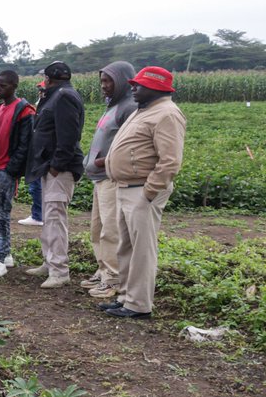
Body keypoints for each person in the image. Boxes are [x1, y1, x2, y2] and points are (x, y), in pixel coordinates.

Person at [100, 67, 186, 320]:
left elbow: (170, 161)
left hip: (142, 191)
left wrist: (149, 192)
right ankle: (126, 297)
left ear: (156, 87)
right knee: (126, 248)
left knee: (142, 250)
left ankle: (139, 305)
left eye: (139, 85)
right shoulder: (145, 109)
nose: (133, 88)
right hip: (127, 188)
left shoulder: (167, 114)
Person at [24, 62, 85, 289]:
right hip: (49, 166)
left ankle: (60, 271)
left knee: (56, 218)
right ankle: (49, 263)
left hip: (60, 168)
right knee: (50, 218)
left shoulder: (65, 97)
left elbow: (68, 136)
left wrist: (57, 164)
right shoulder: (56, 95)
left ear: (50, 78)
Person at [81, 62, 137, 298]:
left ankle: (113, 278)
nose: (104, 86)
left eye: (108, 81)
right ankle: (103, 268)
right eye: (102, 81)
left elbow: (130, 143)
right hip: (99, 178)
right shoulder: (112, 105)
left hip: (111, 177)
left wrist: (108, 160)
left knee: (111, 230)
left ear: (123, 80)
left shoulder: (129, 107)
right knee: (97, 228)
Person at [0, 71, 35, 278]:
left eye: (2, 86)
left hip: (6, 170)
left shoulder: (24, 111)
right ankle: (5, 254)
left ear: (14, 86)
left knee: (2, 214)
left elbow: (25, 144)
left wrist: (11, 169)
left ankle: (0, 259)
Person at [17, 82, 48, 227]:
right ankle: (39, 214)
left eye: (42, 89)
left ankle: (38, 215)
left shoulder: (47, 106)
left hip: (40, 151)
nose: (39, 92)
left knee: (36, 185)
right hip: (39, 150)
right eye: (39, 89)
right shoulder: (42, 104)